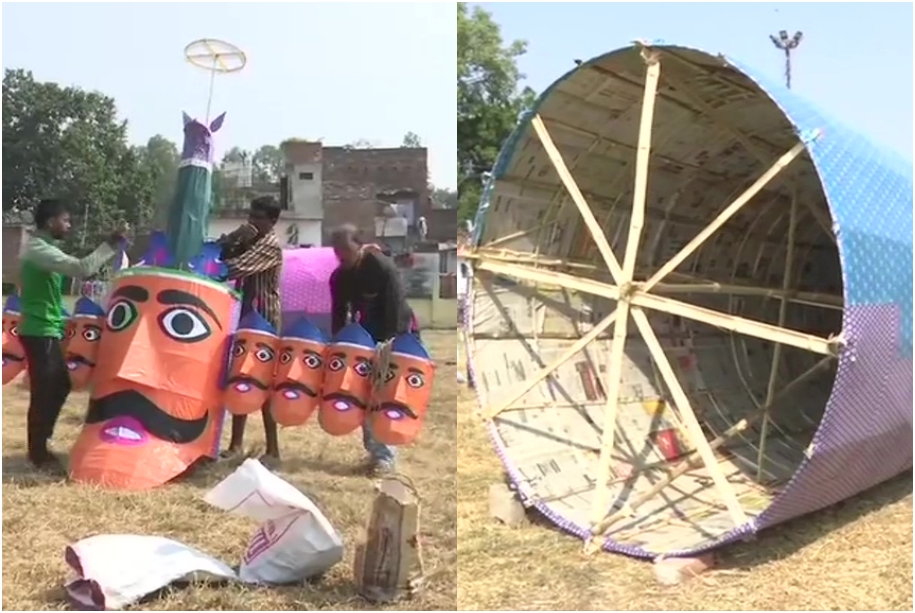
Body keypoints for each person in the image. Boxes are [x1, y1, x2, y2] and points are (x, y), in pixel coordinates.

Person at [18, 199, 127, 471]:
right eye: (65, 220)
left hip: (47, 327)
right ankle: (38, 453)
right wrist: (110, 244)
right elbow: (82, 268)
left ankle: (41, 445)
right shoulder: (39, 250)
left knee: (57, 386)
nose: (68, 225)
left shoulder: (43, 249)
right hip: (39, 329)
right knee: (46, 390)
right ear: (50, 221)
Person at [329, 224, 416, 476]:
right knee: (362, 397)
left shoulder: (381, 267)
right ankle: (374, 452)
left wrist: (389, 346)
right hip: (360, 340)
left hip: (390, 337)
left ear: (360, 245)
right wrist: (338, 344)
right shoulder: (339, 276)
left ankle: (385, 457)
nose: (341, 255)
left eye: (345, 248)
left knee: (382, 397)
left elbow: (396, 308)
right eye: (336, 250)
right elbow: (338, 312)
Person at [218, 195, 284, 466]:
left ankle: (273, 450)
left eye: (258, 218)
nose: (253, 222)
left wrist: (231, 247)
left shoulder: (270, 246)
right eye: (251, 216)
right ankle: (236, 444)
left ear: (272, 221)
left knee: (264, 384)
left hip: (265, 321)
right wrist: (235, 237)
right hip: (246, 317)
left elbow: (234, 266)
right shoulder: (250, 239)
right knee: (241, 379)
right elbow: (224, 254)